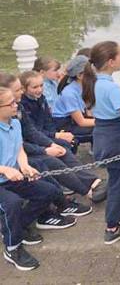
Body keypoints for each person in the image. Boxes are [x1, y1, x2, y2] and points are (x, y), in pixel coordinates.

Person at [82, 41, 120, 245]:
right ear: (110, 62)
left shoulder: (92, 83)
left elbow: (91, 111)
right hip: (117, 140)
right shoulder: (111, 88)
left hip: (103, 135)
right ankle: (112, 226)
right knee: (119, 186)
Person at [11, 72, 105, 205]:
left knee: (63, 148)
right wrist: (45, 149)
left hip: (36, 141)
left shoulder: (31, 102)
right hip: (24, 152)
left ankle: (90, 182)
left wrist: (52, 141)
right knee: (52, 160)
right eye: (18, 89)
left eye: (41, 85)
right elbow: (21, 141)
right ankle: (85, 190)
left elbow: (36, 129)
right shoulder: (20, 108)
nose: (39, 89)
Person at [0, 87, 64, 271]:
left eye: (15, 101)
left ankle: (17, 227)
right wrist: (4, 169)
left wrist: (25, 166)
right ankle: (13, 248)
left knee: (49, 191)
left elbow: (19, 149)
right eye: (11, 103)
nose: (16, 105)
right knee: (12, 203)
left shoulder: (15, 123)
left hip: (14, 178)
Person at [52, 55, 94, 145]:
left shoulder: (82, 87)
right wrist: (104, 121)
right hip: (64, 125)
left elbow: (88, 110)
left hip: (73, 120)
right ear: (79, 75)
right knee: (101, 129)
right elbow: (81, 122)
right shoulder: (69, 93)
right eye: (90, 72)